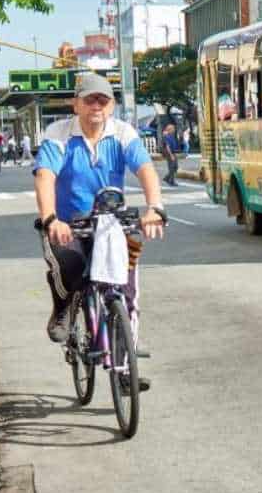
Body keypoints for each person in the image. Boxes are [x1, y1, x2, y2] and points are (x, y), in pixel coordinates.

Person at [34, 73, 166, 392]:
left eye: (103, 101)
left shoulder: (122, 133)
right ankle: (63, 308)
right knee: (71, 266)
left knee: (127, 291)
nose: (96, 106)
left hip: (112, 222)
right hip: (70, 223)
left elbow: (145, 169)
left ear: (112, 105)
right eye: (90, 100)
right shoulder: (58, 134)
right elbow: (45, 176)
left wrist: (155, 208)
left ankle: (124, 366)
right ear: (75, 103)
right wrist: (51, 218)